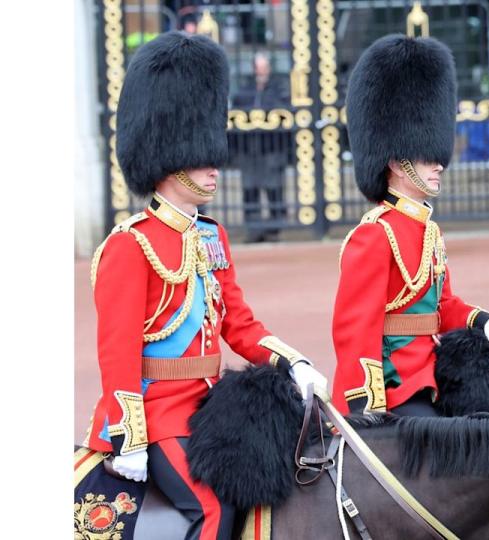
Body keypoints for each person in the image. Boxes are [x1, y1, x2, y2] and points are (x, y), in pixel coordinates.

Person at [82, 32, 327, 539]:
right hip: (157, 416)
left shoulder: (211, 236)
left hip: (210, 406)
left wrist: (291, 361)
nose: (215, 166)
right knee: (209, 507)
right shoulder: (131, 244)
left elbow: (237, 321)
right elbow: (117, 350)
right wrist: (129, 436)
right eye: (201, 158)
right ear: (169, 157)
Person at [331, 35, 489, 416]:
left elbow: (442, 307)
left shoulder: (428, 230)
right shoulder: (374, 235)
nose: (439, 164)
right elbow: (356, 331)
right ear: (396, 163)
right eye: (427, 157)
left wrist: (482, 321)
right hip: (397, 387)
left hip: (435, 374)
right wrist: (367, 405)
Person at [231, 52, 291, 241]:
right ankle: (254, 229)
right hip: (250, 149)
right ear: (254, 69)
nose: (262, 71)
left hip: (271, 148)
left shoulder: (278, 88)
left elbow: (284, 110)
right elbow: (237, 108)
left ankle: (274, 227)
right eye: (259, 67)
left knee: (274, 189)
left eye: (265, 67)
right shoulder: (245, 89)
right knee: (250, 190)